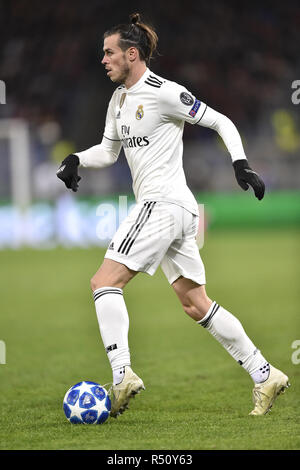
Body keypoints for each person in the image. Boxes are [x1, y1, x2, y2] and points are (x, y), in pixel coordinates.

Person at [56, 13, 290, 417]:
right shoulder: (119, 100)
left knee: (103, 282)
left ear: (132, 54)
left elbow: (220, 120)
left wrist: (240, 164)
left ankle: (121, 374)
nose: (103, 59)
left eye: (110, 52)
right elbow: (110, 151)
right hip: (178, 210)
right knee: (194, 302)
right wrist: (78, 158)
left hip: (162, 204)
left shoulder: (164, 92)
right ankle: (265, 374)